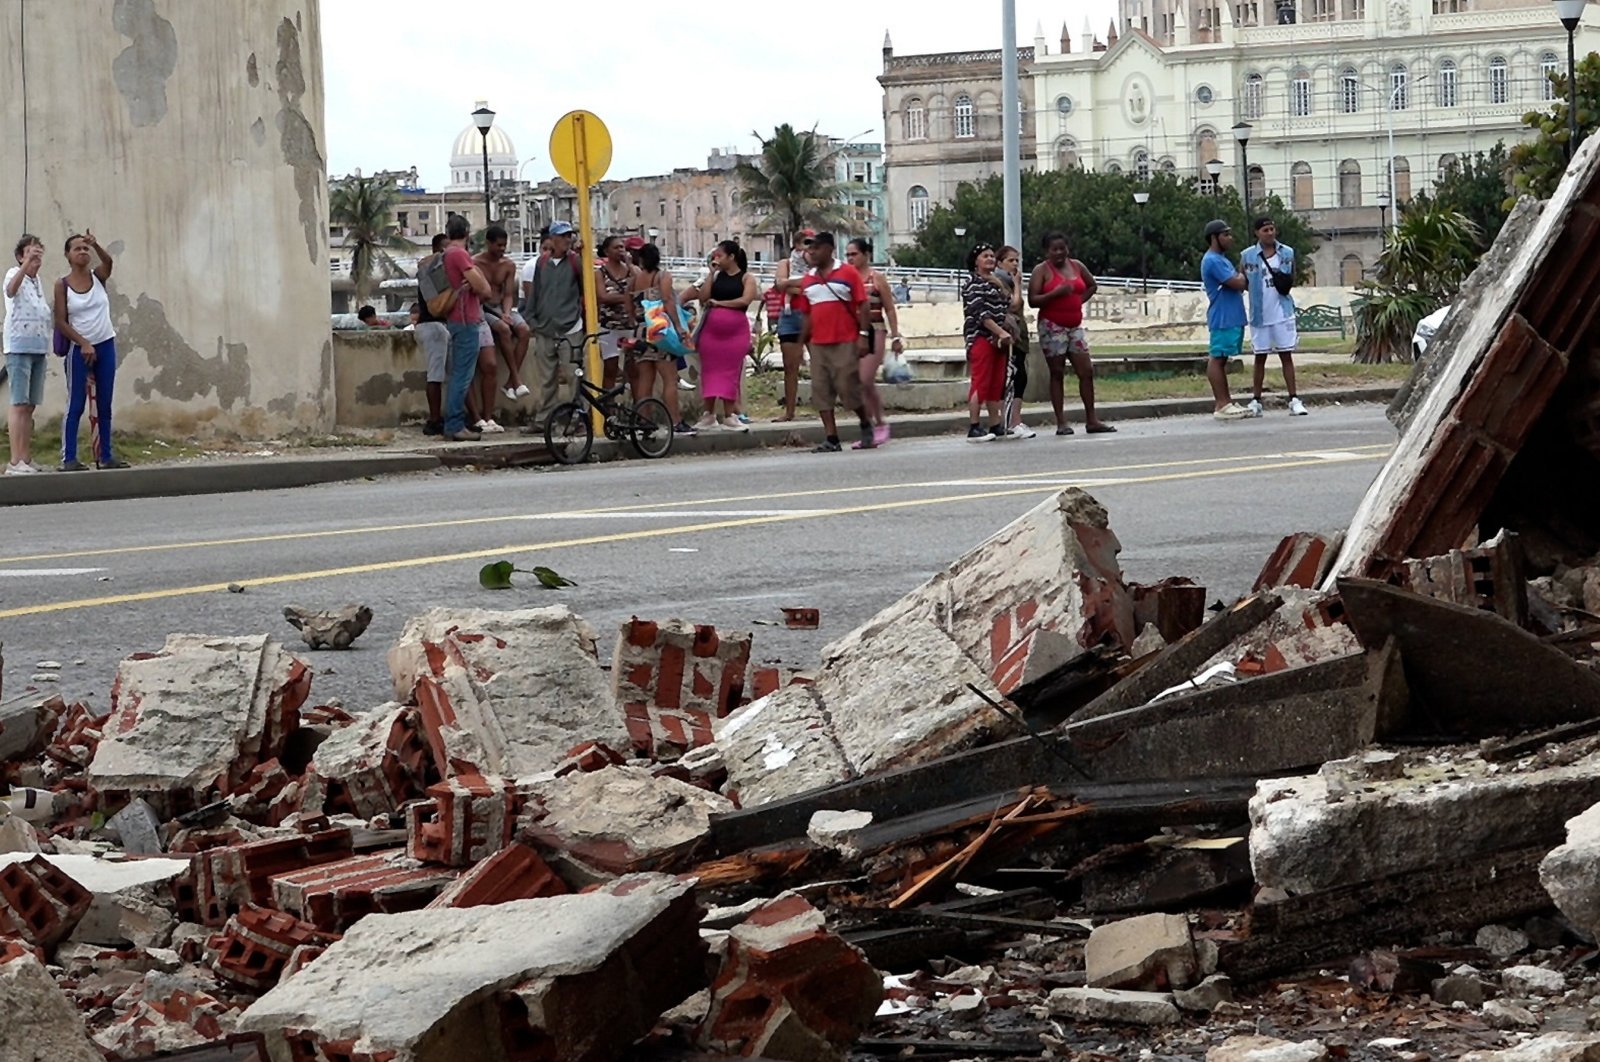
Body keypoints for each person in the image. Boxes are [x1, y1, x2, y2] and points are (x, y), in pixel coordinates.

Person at [1028, 232, 1113, 435]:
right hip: (1052, 325)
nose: (1059, 253)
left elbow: (1092, 285)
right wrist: (1055, 294)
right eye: (1054, 249)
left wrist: (1077, 301)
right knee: (1057, 373)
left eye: (1062, 248)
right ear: (1046, 252)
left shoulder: (1077, 265)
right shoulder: (1041, 271)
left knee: (1086, 370)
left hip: (1075, 325)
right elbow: (1033, 299)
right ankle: (1061, 421)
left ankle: (1091, 419)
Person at [792, 232, 871, 453]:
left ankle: (865, 423)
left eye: (816, 248)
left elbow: (862, 305)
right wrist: (801, 345)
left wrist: (863, 336)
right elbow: (807, 314)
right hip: (818, 343)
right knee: (821, 390)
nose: (812, 253)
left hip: (845, 340)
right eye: (809, 249)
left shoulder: (847, 273)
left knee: (848, 388)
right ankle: (831, 437)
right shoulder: (808, 279)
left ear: (828, 249)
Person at [53, 232, 125, 470]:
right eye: (77, 249)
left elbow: (109, 263)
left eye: (86, 249)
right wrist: (83, 342)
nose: (83, 252)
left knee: (104, 404)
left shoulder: (98, 277)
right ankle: (69, 458)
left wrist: (97, 245)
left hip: (105, 344)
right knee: (76, 404)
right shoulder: (62, 285)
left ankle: (105, 456)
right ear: (68, 255)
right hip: (78, 349)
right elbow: (61, 321)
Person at [681, 240, 757, 432]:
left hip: (735, 332)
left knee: (730, 372)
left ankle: (730, 414)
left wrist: (721, 304)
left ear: (731, 257)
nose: (717, 259)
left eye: (720, 255)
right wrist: (711, 273)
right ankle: (708, 414)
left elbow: (745, 300)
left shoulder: (746, 277)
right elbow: (703, 298)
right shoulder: (716, 277)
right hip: (711, 332)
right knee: (709, 371)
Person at [1240, 216, 1308, 418]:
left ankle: (1294, 398)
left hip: (1282, 311)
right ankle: (1256, 400)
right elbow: (1242, 278)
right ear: (1257, 233)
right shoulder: (1248, 256)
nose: (1269, 233)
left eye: (1272, 229)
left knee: (1286, 355)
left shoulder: (1286, 253)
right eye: (1265, 230)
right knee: (1259, 356)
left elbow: (1292, 276)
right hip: (1260, 314)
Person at [520, 219, 585, 422]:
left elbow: (585, 291)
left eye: (569, 235)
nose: (568, 239)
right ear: (553, 239)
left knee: (574, 375)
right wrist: (531, 320)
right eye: (563, 236)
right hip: (546, 327)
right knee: (547, 378)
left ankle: (578, 417)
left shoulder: (576, 261)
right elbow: (535, 293)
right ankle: (545, 419)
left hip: (570, 326)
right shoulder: (542, 263)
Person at [844, 238, 904, 448]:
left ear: (866, 255)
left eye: (854, 254)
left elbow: (889, 308)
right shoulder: (846, 279)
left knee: (865, 379)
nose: (851, 259)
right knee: (857, 383)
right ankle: (868, 427)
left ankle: (879, 422)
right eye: (848, 255)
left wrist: (896, 335)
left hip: (875, 330)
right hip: (851, 333)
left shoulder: (876, 278)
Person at [628, 242, 693, 434]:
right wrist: (680, 327)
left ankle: (644, 421)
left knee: (644, 380)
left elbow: (628, 305)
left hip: (641, 331)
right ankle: (675, 421)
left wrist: (636, 321)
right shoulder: (663, 276)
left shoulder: (634, 280)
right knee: (669, 379)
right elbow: (667, 301)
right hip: (660, 332)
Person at [441, 214, 494, 441]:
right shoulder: (459, 254)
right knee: (462, 376)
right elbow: (485, 289)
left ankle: (455, 423)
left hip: (454, 318)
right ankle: (454, 425)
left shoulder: (445, 254)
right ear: (467, 232)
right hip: (465, 319)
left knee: (458, 374)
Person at [5, 235, 50, 474]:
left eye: (39, 253)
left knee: (30, 405)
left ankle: (25, 457)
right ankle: (15, 461)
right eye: (32, 253)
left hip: (38, 347)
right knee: (19, 403)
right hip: (19, 347)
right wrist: (24, 266)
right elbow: (11, 292)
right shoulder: (15, 274)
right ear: (21, 256)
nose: (36, 258)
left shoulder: (37, 281)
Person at [1201, 220, 1252, 421]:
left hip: (1232, 315)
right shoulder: (1212, 260)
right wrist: (1244, 273)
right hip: (1222, 316)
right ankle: (1221, 404)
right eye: (1225, 235)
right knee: (1218, 357)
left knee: (1223, 358)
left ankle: (1227, 401)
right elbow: (1238, 282)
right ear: (1214, 238)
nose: (1230, 238)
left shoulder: (1222, 259)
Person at [475, 224, 530, 414]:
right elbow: (480, 297)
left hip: (502, 306)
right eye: (498, 245)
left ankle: (510, 383)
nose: (501, 249)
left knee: (524, 330)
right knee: (504, 330)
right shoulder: (475, 264)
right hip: (485, 309)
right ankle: (516, 379)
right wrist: (501, 317)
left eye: (504, 246)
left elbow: (508, 294)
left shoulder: (508, 265)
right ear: (488, 244)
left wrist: (506, 313)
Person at [962, 243, 1014, 442]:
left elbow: (1010, 306)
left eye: (992, 256)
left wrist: (1015, 283)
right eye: (985, 256)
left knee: (996, 383)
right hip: (981, 337)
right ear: (976, 261)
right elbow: (981, 314)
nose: (990, 259)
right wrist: (1000, 332)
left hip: (998, 340)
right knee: (981, 382)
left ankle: (995, 423)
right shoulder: (973, 284)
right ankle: (974, 426)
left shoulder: (997, 282)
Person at [772, 229, 814, 421]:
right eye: (806, 242)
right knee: (790, 367)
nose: (809, 246)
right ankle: (789, 411)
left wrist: (792, 286)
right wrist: (800, 287)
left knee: (820, 364)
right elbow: (780, 284)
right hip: (790, 316)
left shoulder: (815, 264)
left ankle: (824, 408)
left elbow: (815, 286)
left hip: (812, 315)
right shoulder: (786, 263)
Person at [994, 245, 1035, 440]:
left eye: (1017, 260)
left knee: (1019, 377)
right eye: (1011, 260)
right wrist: (1018, 284)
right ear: (1000, 263)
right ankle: (1012, 422)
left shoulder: (1007, 279)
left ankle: (1014, 419)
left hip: (1018, 335)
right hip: (1009, 336)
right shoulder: (1001, 280)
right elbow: (1014, 303)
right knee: (1013, 379)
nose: (1015, 264)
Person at [414, 234, 450, 436]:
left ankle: (443, 417)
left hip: (436, 325)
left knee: (445, 374)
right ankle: (434, 418)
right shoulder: (429, 270)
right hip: (432, 325)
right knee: (435, 375)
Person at [595, 235, 637, 392]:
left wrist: (630, 265)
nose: (621, 250)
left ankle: (637, 408)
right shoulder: (600, 273)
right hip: (609, 326)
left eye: (622, 247)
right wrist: (627, 298)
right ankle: (608, 410)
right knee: (610, 369)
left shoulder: (631, 270)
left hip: (629, 325)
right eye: (616, 247)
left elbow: (640, 287)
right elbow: (602, 297)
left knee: (633, 370)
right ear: (607, 251)